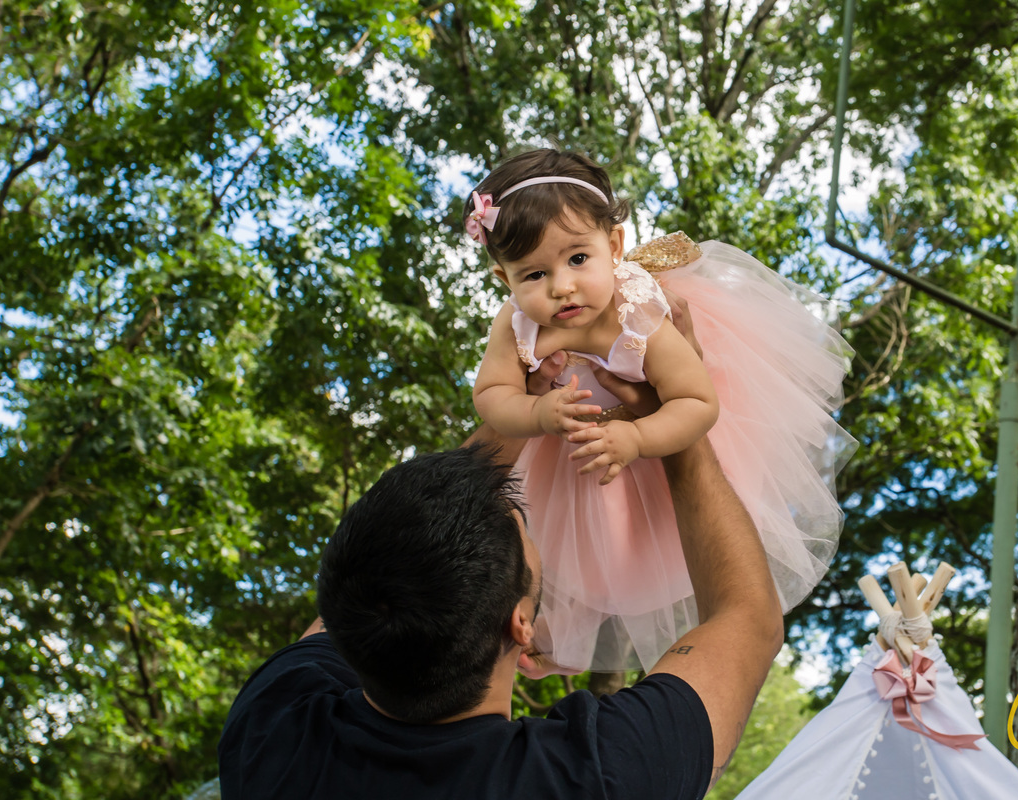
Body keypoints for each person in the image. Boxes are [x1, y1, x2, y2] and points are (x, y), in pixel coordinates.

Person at [218, 348, 784, 799]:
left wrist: (524, 401)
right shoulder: (597, 775)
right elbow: (748, 619)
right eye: (523, 526)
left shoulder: (272, 735)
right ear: (520, 624)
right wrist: (669, 414)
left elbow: (385, 568)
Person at [468, 148, 855, 674]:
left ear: (614, 245)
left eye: (578, 259)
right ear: (503, 279)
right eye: (533, 274)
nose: (561, 286)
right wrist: (534, 413)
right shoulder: (515, 323)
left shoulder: (638, 312)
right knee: (568, 563)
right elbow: (492, 396)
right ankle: (554, 639)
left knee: (660, 550)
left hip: (653, 446)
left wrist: (639, 439)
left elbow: (698, 402)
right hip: (571, 463)